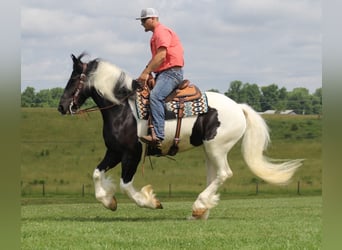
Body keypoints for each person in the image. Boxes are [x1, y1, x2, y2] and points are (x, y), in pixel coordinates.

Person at [136, 8, 184, 146]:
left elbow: (162, 56)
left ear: (153, 19)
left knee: (155, 96)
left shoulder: (161, 32)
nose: (142, 24)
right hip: (164, 72)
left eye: (144, 20)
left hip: (171, 73)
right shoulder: (157, 33)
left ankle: (158, 135)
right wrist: (149, 70)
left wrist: (146, 72)